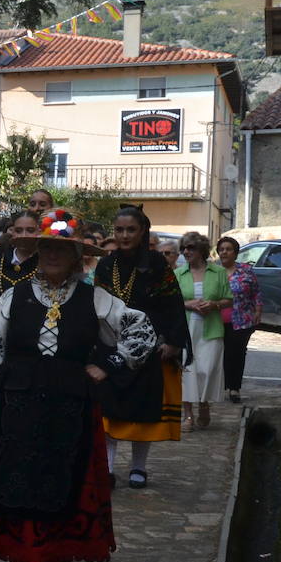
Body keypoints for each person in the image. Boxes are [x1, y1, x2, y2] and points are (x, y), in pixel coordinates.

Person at [0, 210, 157, 562]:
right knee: (16, 488)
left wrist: (111, 365)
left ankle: (54, 554)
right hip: (17, 408)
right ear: (36, 252)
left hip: (71, 410)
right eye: (46, 246)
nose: (52, 254)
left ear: (75, 257)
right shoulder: (12, 296)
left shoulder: (94, 298)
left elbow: (141, 330)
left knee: (63, 485)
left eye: (61, 249)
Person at [94, 207, 188, 489]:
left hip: (148, 347)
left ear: (142, 231)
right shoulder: (105, 265)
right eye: (119, 230)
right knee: (108, 410)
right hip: (111, 344)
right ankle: (107, 467)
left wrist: (172, 341)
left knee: (142, 410)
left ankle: (138, 467)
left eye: (130, 230)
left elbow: (173, 304)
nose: (124, 235)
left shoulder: (157, 264)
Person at [176, 232, 231, 432]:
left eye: (191, 247)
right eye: (184, 248)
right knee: (188, 371)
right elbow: (169, 303)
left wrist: (215, 305)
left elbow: (229, 299)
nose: (186, 251)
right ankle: (188, 415)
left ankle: (204, 403)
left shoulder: (218, 273)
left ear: (202, 250)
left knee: (207, 370)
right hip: (187, 329)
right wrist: (187, 304)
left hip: (211, 328)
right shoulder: (178, 274)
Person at [216, 236, 262, 404]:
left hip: (242, 320)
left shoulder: (246, 270)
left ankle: (234, 388)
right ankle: (222, 386)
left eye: (228, 249)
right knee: (221, 354)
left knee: (237, 354)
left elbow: (256, 292)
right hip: (216, 321)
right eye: (221, 249)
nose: (224, 252)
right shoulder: (214, 271)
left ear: (235, 253)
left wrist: (258, 310)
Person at [0, 210, 39, 304]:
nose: (24, 236)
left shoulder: (45, 267)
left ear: (39, 232)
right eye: (18, 230)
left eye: (30, 230)